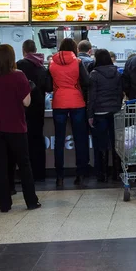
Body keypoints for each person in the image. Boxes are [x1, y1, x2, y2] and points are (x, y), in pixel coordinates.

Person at [0, 44, 40, 212]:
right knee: (24, 165)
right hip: (16, 127)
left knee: (0, 166)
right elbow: (26, 102)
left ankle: (4, 204)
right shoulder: (19, 76)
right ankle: (31, 201)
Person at [47, 38, 90, 187]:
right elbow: (87, 81)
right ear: (74, 48)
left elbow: (47, 84)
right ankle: (80, 175)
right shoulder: (78, 62)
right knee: (80, 139)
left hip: (58, 103)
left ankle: (59, 177)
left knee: (59, 141)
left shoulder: (51, 63)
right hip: (77, 102)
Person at [88, 49, 124, 182]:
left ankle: (102, 174)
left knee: (101, 144)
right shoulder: (117, 72)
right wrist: (118, 106)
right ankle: (116, 172)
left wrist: (90, 114)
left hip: (100, 112)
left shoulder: (94, 74)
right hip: (115, 111)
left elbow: (92, 97)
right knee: (116, 143)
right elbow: (120, 92)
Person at [16, 39, 48, 182]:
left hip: (23, 107)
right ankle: (40, 172)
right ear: (35, 49)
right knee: (38, 139)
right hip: (39, 106)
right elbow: (48, 86)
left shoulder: (20, 65)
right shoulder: (42, 66)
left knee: (24, 142)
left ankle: (27, 174)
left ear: (24, 50)